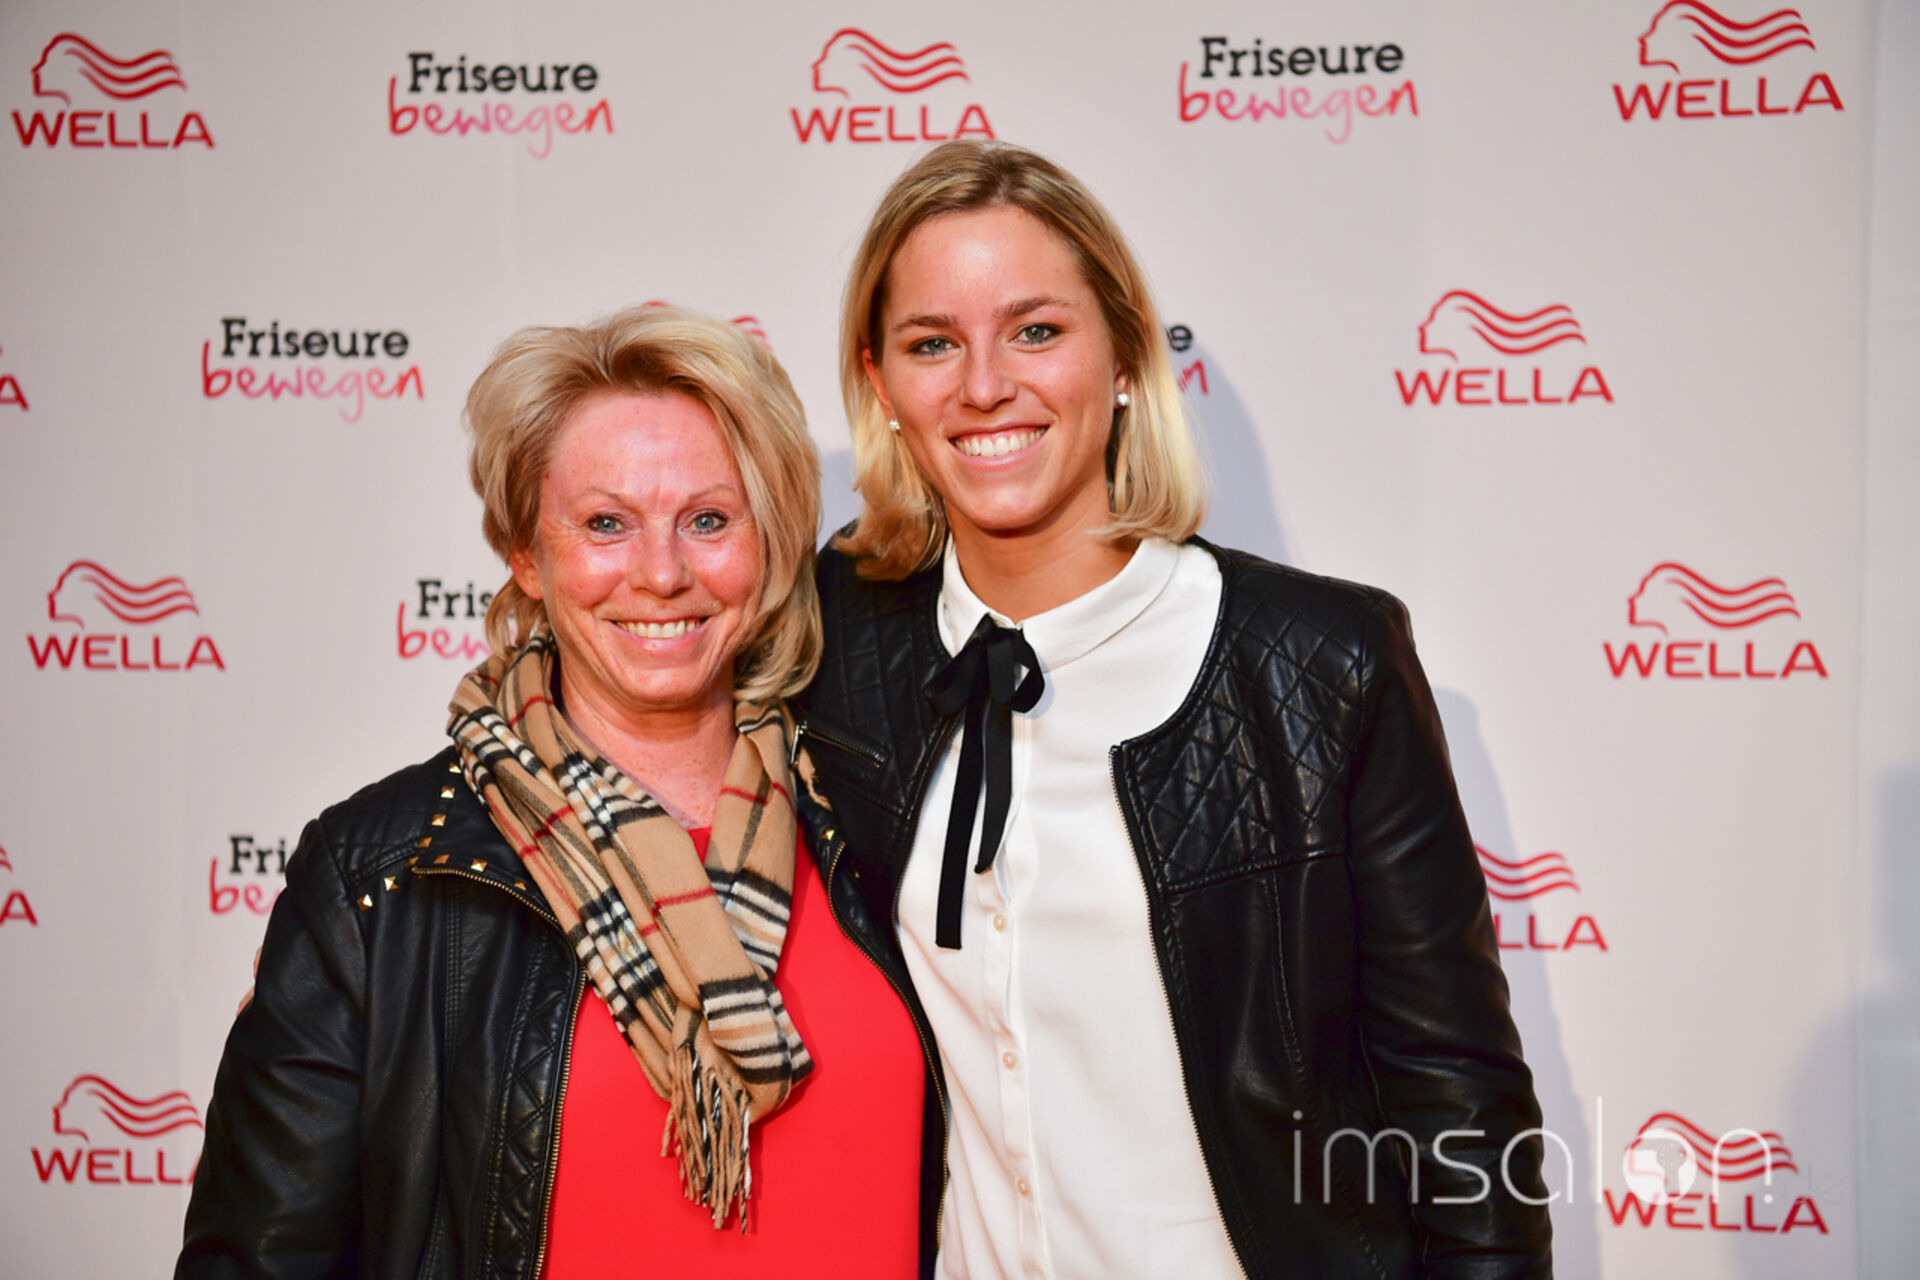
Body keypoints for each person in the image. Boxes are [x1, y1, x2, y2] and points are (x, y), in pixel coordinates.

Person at [792, 140, 1555, 1278]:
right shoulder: (841, 639)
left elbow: (1464, 1108)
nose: (984, 384)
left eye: (1036, 330)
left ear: (1126, 353)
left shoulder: (1321, 665)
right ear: (881, 383)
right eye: (933, 343)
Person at [178, 305, 924, 1278]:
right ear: (526, 554)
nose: (661, 572)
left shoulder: (872, 815)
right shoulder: (385, 877)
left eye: (708, 520)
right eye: (606, 523)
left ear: (771, 543)